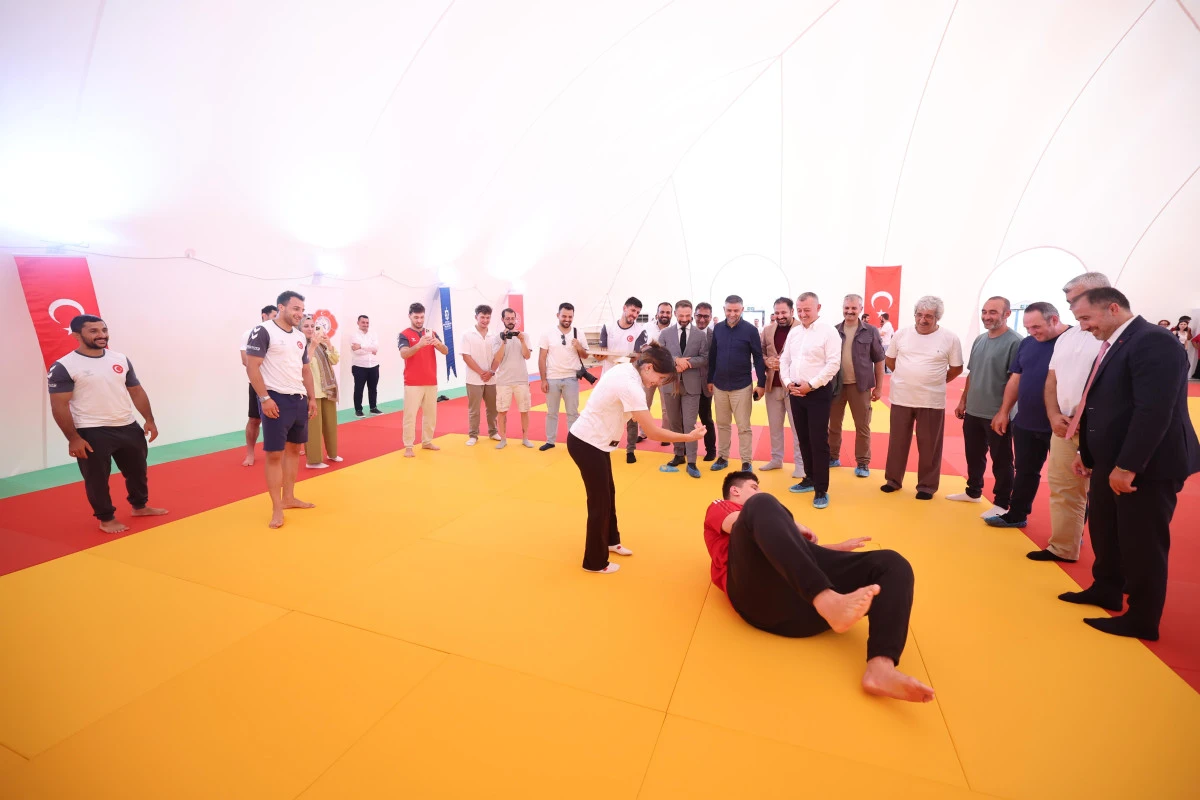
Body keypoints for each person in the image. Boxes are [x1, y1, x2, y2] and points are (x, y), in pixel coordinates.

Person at [703, 471, 934, 703]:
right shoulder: (721, 507)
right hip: (758, 599)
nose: (759, 490)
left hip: (802, 609)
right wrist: (792, 524)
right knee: (761, 503)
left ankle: (880, 668)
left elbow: (798, 557)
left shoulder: (768, 522)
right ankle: (827, 601)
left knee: (892, 563)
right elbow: (740, 522)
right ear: (735, 490)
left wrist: (836, 550)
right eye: (754, 486)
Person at [1060, 288, 1200, 640]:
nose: (1083, 327)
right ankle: (1106, 588)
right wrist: (1087, 454)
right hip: (1112, 459)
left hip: (1148, 465)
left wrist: (1129, 465)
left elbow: (1153, 410)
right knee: (1106, 529)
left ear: (1113, 308)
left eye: (1086, 318)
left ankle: (1142, 617)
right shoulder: (1118, 342)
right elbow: (1101, 403)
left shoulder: (1155, 341)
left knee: (1142, 542)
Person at [567, 342, 707, 573]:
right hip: (586, 443)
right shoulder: (630, 385)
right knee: (599, 503)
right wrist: (689, 437)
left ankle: (611, 541)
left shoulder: (628, 371)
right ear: (648, 367)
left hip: (596, 443)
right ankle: (594, 562)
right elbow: (652, 432)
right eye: (660, 378)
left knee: (608, 494)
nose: (658, 383)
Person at [48, 315, 168, 533]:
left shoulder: (120, 359)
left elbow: (136, 391)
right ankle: (106, 519)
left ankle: (139, 506)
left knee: (138, 471)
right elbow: (59, 405)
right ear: (76, 335)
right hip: (91, 430)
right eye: (93, 331)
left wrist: (149, 420)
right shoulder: (64, 366)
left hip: (127, 425)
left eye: (104, 330)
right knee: (97, 478)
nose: (102, 335)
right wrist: (73, 438)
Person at [1030, 272, 1108, 561]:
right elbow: (1052, 380)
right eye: (1069, 302)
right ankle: (1063, 547)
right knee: (1063, 489)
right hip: (1064, 425)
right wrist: (1053, 414)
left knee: (1105, 496)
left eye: (1076, 300)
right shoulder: (1067, 337)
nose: (1072, 307)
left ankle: (1111, 563)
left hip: (1101, 427)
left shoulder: (1116, 335)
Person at [985, 302, 1070, 534]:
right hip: (1026, 421)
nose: (1032, 332)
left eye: (1036, 327)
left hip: (1061, 424)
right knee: (1024, 472)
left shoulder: (1073, 341)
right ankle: (1016, 514)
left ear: (1054, 319)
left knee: (1066, 482)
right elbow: (1016, 378)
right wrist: (1004, 411)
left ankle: (1069, 534)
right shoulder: (1028, 343)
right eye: (1028, 328)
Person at [244, 290, 318, 529]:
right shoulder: (263, 330)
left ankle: (289, 498)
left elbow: (305, 370)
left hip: (298, 398)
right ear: (281, 307)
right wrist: (264, 398)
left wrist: (312, 398)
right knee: (275, 454)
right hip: (275, 398)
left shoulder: (299, 336)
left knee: (294, 450)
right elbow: (252, 367)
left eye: (302, 310)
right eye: (295, 309)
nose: (299, 314)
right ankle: (276, 507)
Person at [881, 296, 964, 500]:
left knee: (929, 446)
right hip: (901, 397)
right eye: (919, 315)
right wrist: (906, 376)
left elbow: (956, 368)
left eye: (928, 316)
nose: (923, 319)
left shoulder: (950, 338)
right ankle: (893, 480)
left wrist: (935, 380)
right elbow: (890, 360)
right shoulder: (901, 334)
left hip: (931, 400)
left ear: (937, 318)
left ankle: (926, 486)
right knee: (897, 443)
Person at [949, 296, 1021, 517]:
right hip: (973, 410)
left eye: (993, 312)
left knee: (1002, 460)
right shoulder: (980, 339)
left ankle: (1002, 502)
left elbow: (1016, 380)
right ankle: (973, 491)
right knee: (973, 454)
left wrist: (1004, 412)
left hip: (998, 414)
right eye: (984, 311)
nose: (987, 316)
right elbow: (972, 373)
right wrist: (963, 400)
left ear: (1007, 314)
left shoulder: (1015, 342)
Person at [779, 292, 842, 509]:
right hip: (795, 391)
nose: (803, 314)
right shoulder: (795, 332)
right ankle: (809, 478)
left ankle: (821, 489)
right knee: (803, 438)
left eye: (807, 309)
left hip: (818, 392)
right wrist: (788, 382)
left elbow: (833, 364)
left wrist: (812, 385)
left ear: (818, 308)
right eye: (799, 310)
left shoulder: (829, 332)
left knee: (818, 440)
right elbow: (784, 360)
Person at [706, 294, 767, 472]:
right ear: (724, 309)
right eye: (729, 310)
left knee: (743, 427)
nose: (732, 314)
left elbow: (758, 357)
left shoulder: (750, 330)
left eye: (736, 310)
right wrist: (710, 379)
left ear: (742, 309)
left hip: (742, 385)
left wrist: (761, 383)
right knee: (722, 424)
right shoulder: (718, 328)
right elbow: (713, 356)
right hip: (719, 385)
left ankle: (746, 461)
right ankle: (722, 457)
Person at [829, 294, 885, 479]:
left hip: (860, 387)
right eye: (847, 308)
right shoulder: (834, 331)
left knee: (862, 426)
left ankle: (862, 462)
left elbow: (879, 360)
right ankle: (833, 457)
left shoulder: (871, 331)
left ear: (860, 309)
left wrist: (879, 387)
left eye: (853, 308)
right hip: (836, 386)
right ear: (842, 308)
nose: (850, 311)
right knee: (833, 425)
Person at [659, 300, 709, 478]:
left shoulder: (700, 335)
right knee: (674, 422)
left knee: (690, 424)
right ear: (675, 314)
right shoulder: (665, 333)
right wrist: (676, 361)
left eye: (688, 315)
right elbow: (660, 355)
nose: (685, 319)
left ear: (692, 314)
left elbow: (704, 358)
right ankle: (679, 454)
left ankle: (692, 462)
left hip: (692, 385)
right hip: (670, 384)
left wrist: (687, 363)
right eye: (681, 315)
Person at [598, 297, 649, 463]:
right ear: (624, 308)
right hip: (608, 379)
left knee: (632, 417)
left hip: (629, 379)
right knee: (606, 415)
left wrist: (618, 361)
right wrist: (600, 356)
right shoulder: (608, 327)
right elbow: (602, 353)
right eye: (632, 310)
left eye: (637, 312)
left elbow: (636, 356)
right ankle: (603, 447)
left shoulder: (640, 331)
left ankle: (630, 450)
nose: (634, 314)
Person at [759, 297, 805, 479]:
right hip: (773, 385)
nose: (780, 316)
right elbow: (760, 352)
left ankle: (801, 464)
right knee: (774, 427)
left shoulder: (803, 328)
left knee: (798, 428)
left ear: (792, 311)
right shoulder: (767, 330)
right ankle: (776, 459)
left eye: (784, 312)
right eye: (777, 313)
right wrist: (767, 361)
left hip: (795, 386)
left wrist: (786, 363)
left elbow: (808, 355)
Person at [399, 302, 449, 458]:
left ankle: (427, 441)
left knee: (430, 415)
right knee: (410, 415)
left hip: (431, 380)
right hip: (412, 382)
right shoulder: (404, 334)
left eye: (421, 317)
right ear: (410, 316)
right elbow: (404, 354)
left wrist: (438, 344)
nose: (419, 320)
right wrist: (419, 345)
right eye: (416, 317)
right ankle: (408, 446)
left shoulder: (431, 333)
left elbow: (446, 351)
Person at [538, 302, 589, 451]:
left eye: (570, 316)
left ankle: (574, 443)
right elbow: (542, 358)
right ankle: (550, 440)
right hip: (552, 378)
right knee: (551, 412)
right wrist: (543, 380)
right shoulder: (547, 333)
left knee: (573, 413)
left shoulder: (578, 333)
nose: (567, 319)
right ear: (558, 315)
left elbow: (585, 356)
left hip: (571, 378)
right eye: (564, 316)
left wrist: (579, 346)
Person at [239, 304, 279, 466]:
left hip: (279, 384)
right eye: (274, 316)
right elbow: (246, 361)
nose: (277, 319)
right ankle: (250, 453)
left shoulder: (280, 335)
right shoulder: (250, 333)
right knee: (255, 420)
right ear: (264, 315)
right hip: (258, 384)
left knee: (282, 420)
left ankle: (283, 452)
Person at [301, 315, 341, 469]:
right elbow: (303, 366)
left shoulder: (321, 344)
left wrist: (328, 343)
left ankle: (332, 453)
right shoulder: (299, 345)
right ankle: (313, 460)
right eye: (306, 326)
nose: (310, 329)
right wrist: (312, 346)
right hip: (312, 392)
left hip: (327, 390)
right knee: (313, 428)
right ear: (299, 329)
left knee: (330, 424)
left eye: (313, 326)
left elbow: (335, 360)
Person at [492, 308, 534, 449]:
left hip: (521, 379)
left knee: (524, 410)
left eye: (512, 318)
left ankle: (525, 438)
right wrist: (503, 341)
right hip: (503, 381)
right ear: (502, 320)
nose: (510, 321)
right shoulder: (497, 338)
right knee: (502, 411)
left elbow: (527, 356)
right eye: (507, 318)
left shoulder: (524, 336)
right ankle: (503, 439)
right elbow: (497, 359)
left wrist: (522, 341)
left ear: (516, 319)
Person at [460, 304, 500, 446]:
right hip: (473, 378)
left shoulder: (494, 335)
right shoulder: (467, 335)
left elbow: (498, 356)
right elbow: (466, 356)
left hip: (491, 378)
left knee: (493, 408)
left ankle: (493, 431)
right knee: (474, 409)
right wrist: (481, 372)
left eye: (488, 317)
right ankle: (473, 435)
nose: (485, 320)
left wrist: (491, 372)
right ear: (476, 317)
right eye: (482, 317)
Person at [648, 301, 675, 446]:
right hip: (647, 373)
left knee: (667, 407)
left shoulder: (674, 330)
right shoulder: (647, 328)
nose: (665, 315)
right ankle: (643, 431)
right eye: (662, 312)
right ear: (657, 313)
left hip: (665, 374)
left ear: (671, 314)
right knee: (644, 404)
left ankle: (665, 434)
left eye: (668, 312)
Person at [694, 302, 717, 460]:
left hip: (706, 384)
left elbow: (717, 361)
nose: (702, 319)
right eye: (699, 316)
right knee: (685, 420)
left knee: (706, 418)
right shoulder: (686, 333)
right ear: (694, 315)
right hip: (686, 383)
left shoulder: (714, 336)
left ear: (710, 317)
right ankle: (684, 451)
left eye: (706, 316)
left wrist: (713, 380)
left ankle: (711, 450)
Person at [349, 314, 382, 417]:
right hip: (359, 366)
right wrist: (370, 349)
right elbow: (357, 351)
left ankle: (373, 408)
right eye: (363, 322)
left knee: (373, 388)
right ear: (358, 323)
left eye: (367, 322)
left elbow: (376, 348)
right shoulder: (354, 335)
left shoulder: (373, 334)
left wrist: (361, 346)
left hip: (373, 365)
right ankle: (358, 410)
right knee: (359, 389)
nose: (365, 324)